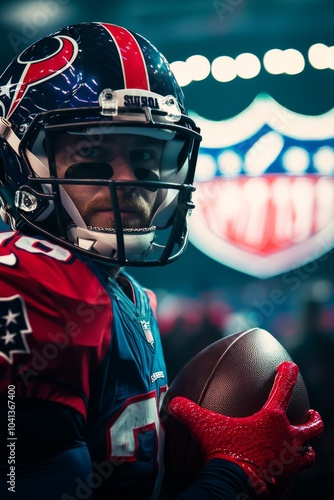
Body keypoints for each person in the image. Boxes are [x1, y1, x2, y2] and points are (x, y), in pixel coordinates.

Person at [0, 22, 323, 500]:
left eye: (146, 157)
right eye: (91, 154)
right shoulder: (34, 285)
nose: (130, 180)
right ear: (21, 163)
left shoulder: (124, 294)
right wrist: (234, 475)